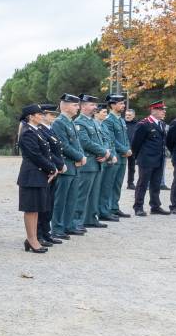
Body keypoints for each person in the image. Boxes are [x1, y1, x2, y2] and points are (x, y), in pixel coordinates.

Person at [17, 105, 59, 252]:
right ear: (31, 116)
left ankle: (32, 238)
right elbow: (35, 155)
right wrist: (52, 167)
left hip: (39, 175)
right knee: (31, 209)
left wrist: (51, 167)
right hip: (31, 176)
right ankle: (32, 239)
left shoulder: (37, 131)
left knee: (36, 209)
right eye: (39, 114)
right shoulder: (28, 133)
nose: (42, 116)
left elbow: (44, 153)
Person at [50, 93, 86, 238]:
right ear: (64, 106)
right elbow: (62, 145)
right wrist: (79, 156)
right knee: (61, 199)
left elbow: (77, 143)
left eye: (78, 105)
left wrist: (82, 156)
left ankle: (69, 225)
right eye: (75, 105)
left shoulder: (71, 121)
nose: (78, 107)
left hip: (75, 166)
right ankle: (58, 228)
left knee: (72, 198)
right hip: (66, 166)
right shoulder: (59, 122)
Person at [73, 96, 109, 230]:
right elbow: (85, 142)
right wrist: (104, 152)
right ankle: (76, 221)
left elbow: (104, 139)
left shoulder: (94, 122)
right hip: (88, 164)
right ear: (83, 106)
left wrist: (105, 152)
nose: (95, 107)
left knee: (94, 193)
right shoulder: (79, 122)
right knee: (82, 195)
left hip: (98, 162)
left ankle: (91, 218)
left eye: (95, 105)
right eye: (92, 104)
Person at [132, 100, 171, 215]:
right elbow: (135, 144)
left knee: (156, 183)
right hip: (147, 159)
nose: (164, 112)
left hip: (159, 158)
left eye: (164, 110)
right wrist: (138, 158)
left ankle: (155, 206)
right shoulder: (143, 124)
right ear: (153, 110)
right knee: (143, 184)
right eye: (161, 109)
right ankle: (138, 207)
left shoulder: (162, 124)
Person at [37, 104, 65, 245]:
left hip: (54, 171)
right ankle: (38, 234)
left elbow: (57, 150)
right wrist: (59, 165)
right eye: (51, 115)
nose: (53, 117)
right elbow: (46, 153)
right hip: (48, 171)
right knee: (43, 205)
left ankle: (46, 232)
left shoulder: (50, 130)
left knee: (50, 203)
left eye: (54, 115)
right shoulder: (40, 131)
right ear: (42, 115)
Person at [100, 94, 132, 219]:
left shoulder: (121, 119)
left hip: (123, 157)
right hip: (114, 156)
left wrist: (128, 149)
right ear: (112, 105)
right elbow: (111, 139)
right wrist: (124, 149)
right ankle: (104, 209)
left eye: (123, 103)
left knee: (117, 184)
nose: (123, 106)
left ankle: (114, 207)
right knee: (108, 184)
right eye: (121, 103)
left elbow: (125, 138)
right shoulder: (108, 120)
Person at [124, 107, 139, 189]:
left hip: (132, 149)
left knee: (132, 167)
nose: (127, 116)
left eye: (129, 115)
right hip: (122, 149)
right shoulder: (121, 123)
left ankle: (130, 183)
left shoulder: (137, 124)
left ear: (133, 116)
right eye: (126, 115)